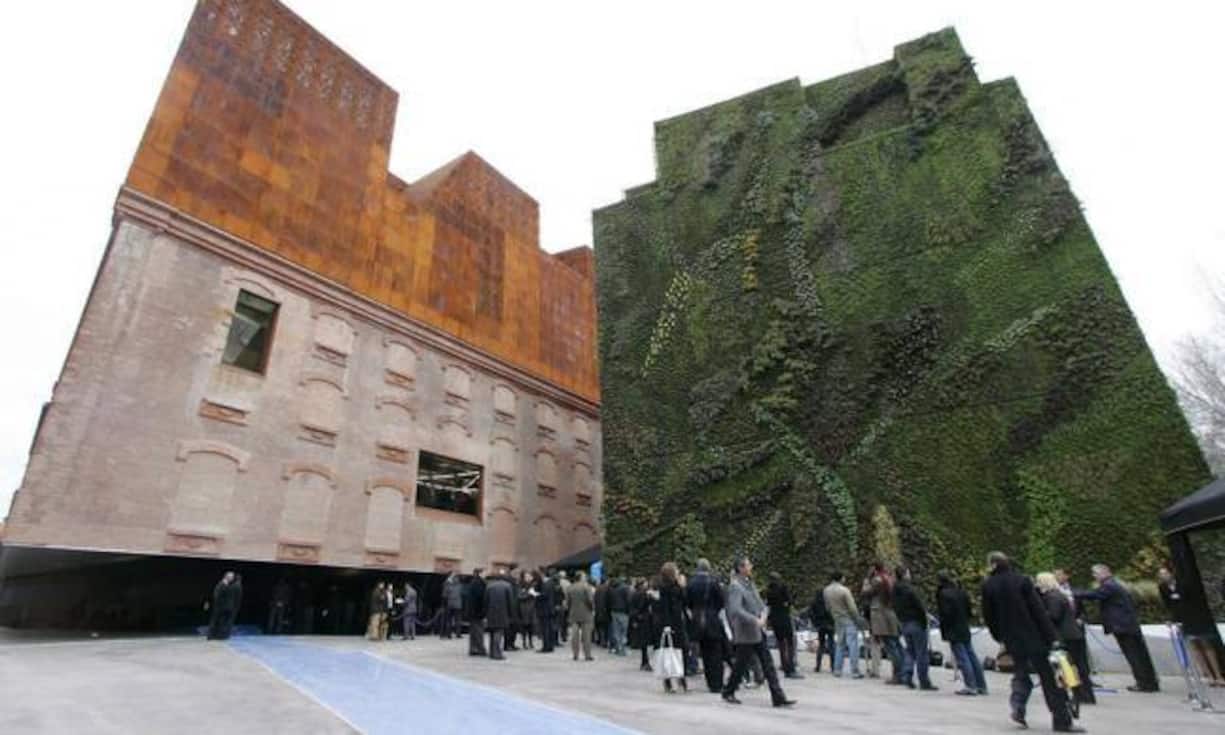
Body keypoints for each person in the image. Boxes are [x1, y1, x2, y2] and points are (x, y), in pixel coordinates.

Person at [982, 552, 1084, 733]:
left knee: (1021, 674)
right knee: (1050, 679)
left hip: (1012, 639)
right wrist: (1052, 637)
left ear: (993, 565)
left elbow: (989, 616)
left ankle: (1018, 707)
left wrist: (1000, 636)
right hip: (1035, 636)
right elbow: (1038, 611)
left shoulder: (988, 585)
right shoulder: (1022, 581)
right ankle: (1061, 720)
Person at [721, 557, 795, 707]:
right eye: (748, 565)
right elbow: (736, 610)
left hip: (757, 630)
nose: (751, 567)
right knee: (741, 664)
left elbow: (760, 603)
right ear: (741, 568)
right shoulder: (735, 587)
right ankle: (729, 690)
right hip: (746, 631)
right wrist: (754, 620)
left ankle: (778, 696)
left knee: (767, 663)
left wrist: (764, 614)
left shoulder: (749, 584)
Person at [1075, 563, 1158, 692]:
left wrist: (1073, 593)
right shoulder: (1114, 584)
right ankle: (1150, 682)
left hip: (1123, 626)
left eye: (1095, 573)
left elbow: (1094, 595)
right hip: (1128, 625)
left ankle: (1143, 683)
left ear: (1105, 572)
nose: (1094, 576)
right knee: (1140, 654)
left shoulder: (1109, 586)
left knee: (1134, 655)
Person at [1036, 572, 1094, 704]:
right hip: (1073, 634)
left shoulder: (1052, 596)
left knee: (1069, 667)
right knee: (1078, 666)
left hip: (1066, 636)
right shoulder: (1058, 595)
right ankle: (1085, 694)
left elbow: (1054, 615)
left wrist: (1041, 615)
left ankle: (1079, 694)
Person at [936, 571, 987, 696]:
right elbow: (969, 611)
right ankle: (981, 685)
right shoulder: (961, 592)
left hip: (952, 629)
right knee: (971, 655)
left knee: (962, 657)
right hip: (964, 626)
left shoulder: (943, 594)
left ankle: (970, 685)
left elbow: (945, 613)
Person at [893, 566, 937, 691]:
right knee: (921, 652)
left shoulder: (895, 590)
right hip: (916, 622)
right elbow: (919, 606)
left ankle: (907, 675)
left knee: (910, 650)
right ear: (905, 574)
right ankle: (924, 681)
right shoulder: (910, 590)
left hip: (904, 622)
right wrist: (925, 619)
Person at [686, 560, 727, 691]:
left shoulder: (691, 583)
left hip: (697, 620)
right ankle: (717, 683)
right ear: (708, 568)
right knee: (716, 653)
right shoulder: (714, 582)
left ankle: (709, 681)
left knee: (704, 653)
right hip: (712, 620)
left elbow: (687, 602)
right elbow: (721, 601)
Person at [862, 563, 904, 683]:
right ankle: (904, 671)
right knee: (896, 644)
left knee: (890, 645)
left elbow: (865, 593)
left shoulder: (877, 580)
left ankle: (898, 674)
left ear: (875, 569)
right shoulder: (890, 579)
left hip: (881, 615)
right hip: (891, 614)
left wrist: (866, 580)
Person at [654, 563, 689, 692]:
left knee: (682, 650)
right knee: (669, 652)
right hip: (670, 624)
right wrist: (667, 625)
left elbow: (685, 600)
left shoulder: (677, 586)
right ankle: (669, 680)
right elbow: (665, 608)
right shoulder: (664, 588)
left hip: (679, 622)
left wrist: (682, 587)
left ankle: (680, 677)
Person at [824, 571, 864, 678]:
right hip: (848, 619)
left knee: (840, 644)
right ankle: (855, 670)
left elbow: (827, 607)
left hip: (837, 619)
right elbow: (852, 608)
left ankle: (837, 669)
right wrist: (857, 619)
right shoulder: (844, 590)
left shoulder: (826, 590)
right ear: (841, 578)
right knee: (853, 645)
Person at [765, 573, 803, 680]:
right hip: (784, 617)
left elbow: (769, 604)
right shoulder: (783, 588)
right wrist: (790, 600)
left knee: (781, 643)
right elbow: (789, 601)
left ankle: (784, 664)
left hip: (774, 618)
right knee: (790, 643)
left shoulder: (768, 590)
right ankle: (791, 668)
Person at [566, 570, 597, 661]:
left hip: (574, 614)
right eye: (584, 576)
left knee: (574, 636)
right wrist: (592, 609)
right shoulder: (586, 587)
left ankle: (575, 654)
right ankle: (587, 655)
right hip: (586, 613)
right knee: (586, 636)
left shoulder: (570, 588)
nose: (585, 578)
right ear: (581, 577)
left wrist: (570, 610)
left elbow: (568, 602)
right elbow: (590, 600)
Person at [484, 567, 514, 660]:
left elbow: (485, 601)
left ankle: (492, 652)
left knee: (492, 633)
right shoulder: (507, 586)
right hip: (502, 613)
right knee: (499, 632)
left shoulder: (489, 586)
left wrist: (485, 613)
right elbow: (510, 601)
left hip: (491, 613)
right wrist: (511, 614)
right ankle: (497, 653)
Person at [808, 580, 835, 674]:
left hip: (820, 625)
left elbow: (810, 613)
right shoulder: (829, 601)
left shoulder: (814, 602)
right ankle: (833, 666)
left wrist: (815, 623)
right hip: (830, 625)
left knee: (821, 645)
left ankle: (818, 666)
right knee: (831, 645)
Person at [207, 571, 242, 640]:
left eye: (232, 577)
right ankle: (211, 636)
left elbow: (234, 597)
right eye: (230, 577)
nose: (231, 578)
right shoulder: (221, 584)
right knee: (216, 621)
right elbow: (217, 595)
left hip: (227, 607)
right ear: (226, 577)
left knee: (223, 622)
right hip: (219, 607)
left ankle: (220, 636)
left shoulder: (230, 585)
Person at [631, 578, 656, 671]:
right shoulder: (643, 594)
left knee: (643, 642)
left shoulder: (634, 593)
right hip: (644, 619)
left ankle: (644, 662)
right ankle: (645, 662)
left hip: (638, 618)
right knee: (645, 641)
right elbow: (642, 606)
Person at [466, 568, 488, 656]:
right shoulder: (479, 583)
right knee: (479, 631)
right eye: (484, 573)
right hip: (477, 612)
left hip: (473, 611)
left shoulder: (474, 582)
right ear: (480, 573)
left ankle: (473, 649)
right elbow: (480, 598)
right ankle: (480, 649)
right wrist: (483, 612)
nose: (486, 574)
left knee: (473, 631)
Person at [608, 576, 631, 656]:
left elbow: (609, 601)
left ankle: (618, 648)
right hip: (623, 612)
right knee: (624, 632)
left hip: (614, 612)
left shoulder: (611, 588)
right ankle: (623, 650)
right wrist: (629, 611)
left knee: (616, 631)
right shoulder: (625, 588)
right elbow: (628, 600)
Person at [535, 570, 556, 654]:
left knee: (545, 629)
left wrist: (536, 594)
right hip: (549, 609)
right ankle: (550, 646)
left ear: (543, 574)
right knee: (549, 628)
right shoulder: (551, 582)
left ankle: (546, 647)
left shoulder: (546, 584)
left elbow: (544, 595)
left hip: (545, 609)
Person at [441, 572, 463, 639]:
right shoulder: (460, 586)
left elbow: (444, 595)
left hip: (450, 605)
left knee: (449, 620)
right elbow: (464, 594)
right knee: (458, 620)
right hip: (458, 605)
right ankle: (458, 634)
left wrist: (447, 582)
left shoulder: (448, 586)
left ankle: (449, 634)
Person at [594, 578, 611, 649]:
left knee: (600, 627)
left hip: (598, 610)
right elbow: (609, 600)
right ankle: (605, 642)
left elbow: (595, 599)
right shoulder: (607, 588)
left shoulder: (597, 589)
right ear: (606, 581)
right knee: (606, 627)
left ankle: (601, 640)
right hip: (605, 610)